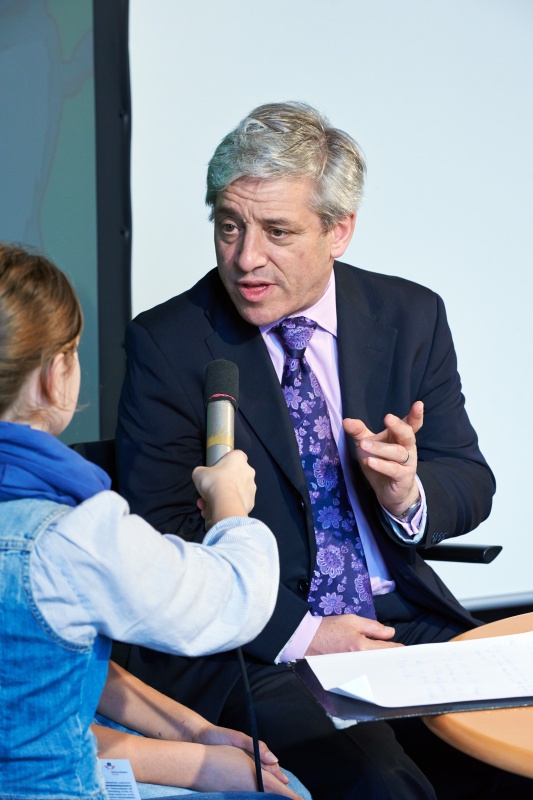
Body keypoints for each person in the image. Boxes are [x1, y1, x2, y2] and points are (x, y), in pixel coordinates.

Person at [115, 102, 529, 799]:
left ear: (339, 230)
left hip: (399, 618)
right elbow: (160, 536)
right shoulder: (169, 342)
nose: (245, 258)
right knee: (379, 782)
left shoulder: (407, 315)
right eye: (228, 227)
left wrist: (407, 496)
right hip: (258, 641)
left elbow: (469, 480)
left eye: (277, 232)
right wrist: (303, 633)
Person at [0, 243, 309, 800]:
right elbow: (234, 600)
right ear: (54, 376)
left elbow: (44, 667)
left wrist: (195, 737)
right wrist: (231, 508)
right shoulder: (72, 539)